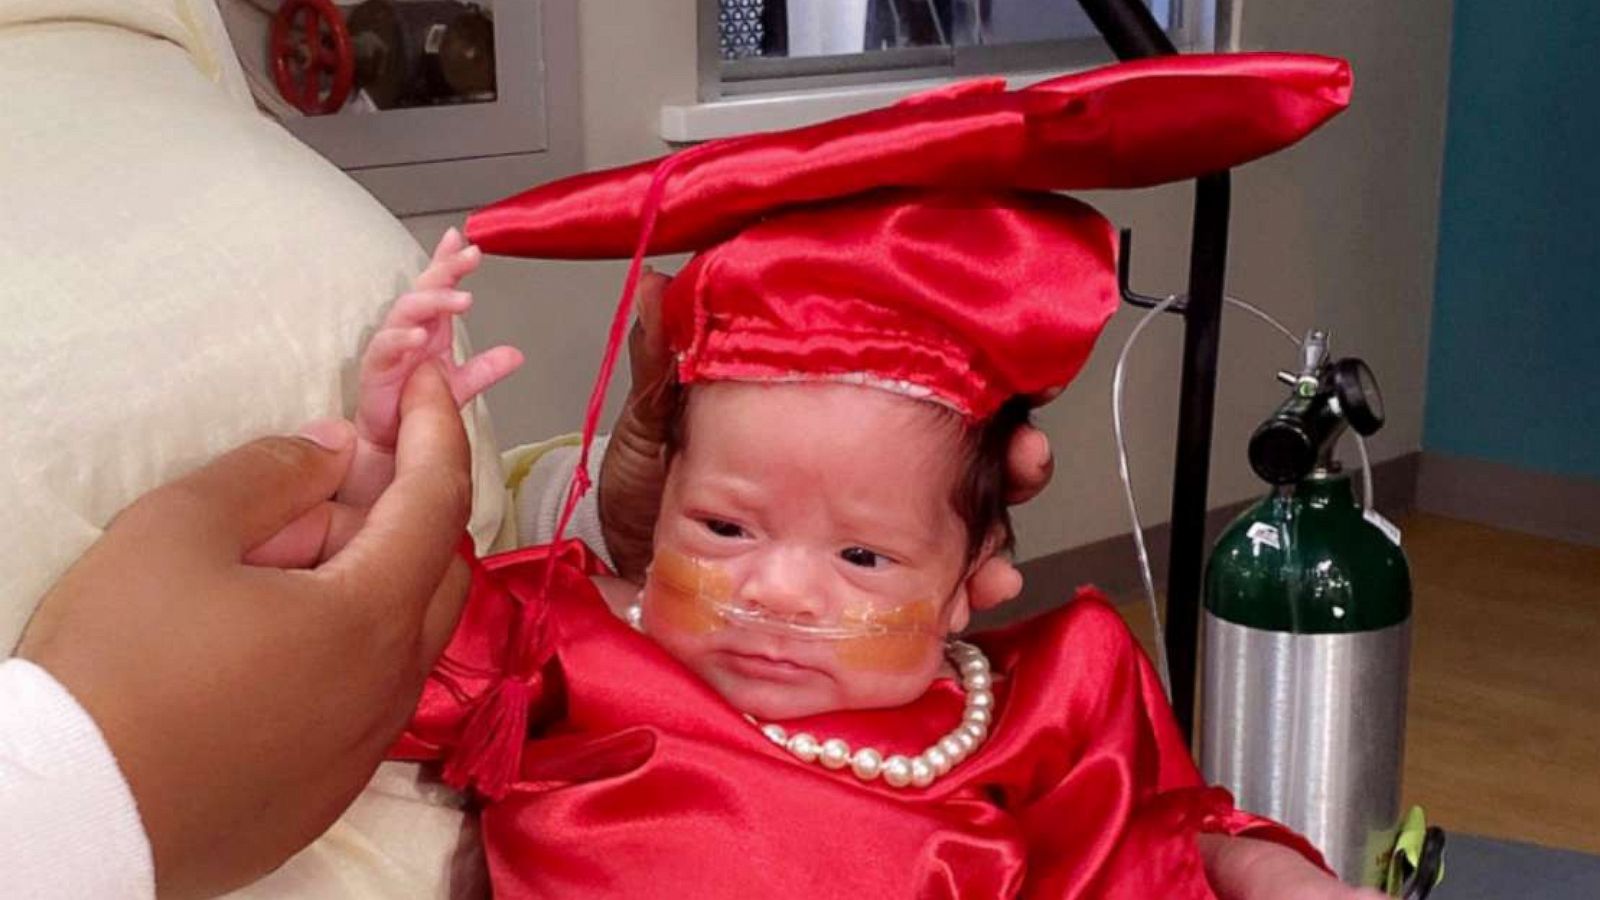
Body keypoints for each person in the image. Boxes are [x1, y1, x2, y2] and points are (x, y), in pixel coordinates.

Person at [340, 53, 1386, 898]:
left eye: (862, 554)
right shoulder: (568, 641)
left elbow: (1158, 836)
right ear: (658, 498)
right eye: (723, 529)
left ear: (976, 567)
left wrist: (1259, 864)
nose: (780, 593)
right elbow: (374, 636)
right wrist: (392, 464)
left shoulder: (1040, 706)